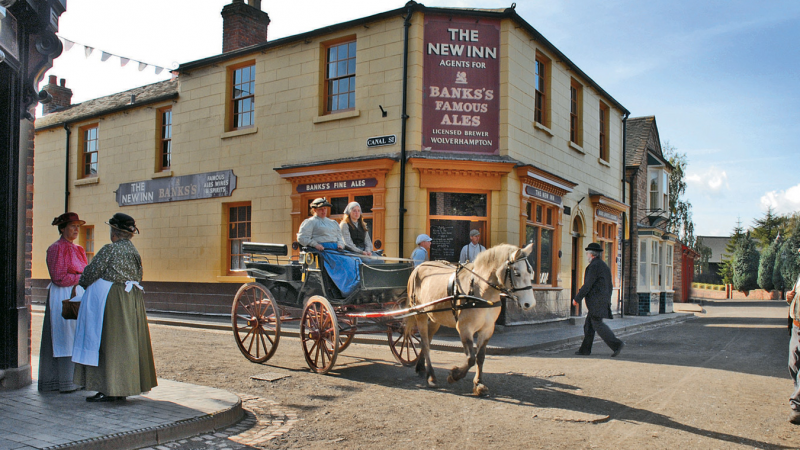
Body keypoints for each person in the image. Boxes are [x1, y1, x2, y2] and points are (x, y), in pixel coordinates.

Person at [72, 213, 157, 402]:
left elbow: (92, 271)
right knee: (126, 343)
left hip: (111, 299)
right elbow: (139, 275)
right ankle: (124, 387)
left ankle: (109, 387)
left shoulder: (110, 249)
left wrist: (83, 284)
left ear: (115, 232)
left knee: (108, 341)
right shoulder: (134, 252)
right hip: (130, 299)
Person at [39, 212, 87, 393]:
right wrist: (81, 277)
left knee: (77, 334)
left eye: (78, 226)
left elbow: (84, 273)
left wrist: (82, 279)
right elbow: (59, 277)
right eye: (72, 226)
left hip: (77, 292)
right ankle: (63, 381)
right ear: (62, 228)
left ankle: (79, 379)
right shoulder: (55, 248)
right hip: (62, 294)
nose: (76, 229)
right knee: (63, 334)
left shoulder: (79, 249)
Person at [298, 197, 360, 296]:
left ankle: (358, 284)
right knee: (346, 262)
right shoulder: (310, 222)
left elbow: (339, 237)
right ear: (314, 210)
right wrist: (315, 244)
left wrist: (340, 244)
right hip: (323, 251)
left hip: (335, 249)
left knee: (356, 260)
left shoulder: (333, 222)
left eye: (325, 209)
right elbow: (301, 238)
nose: (323, 211)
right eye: (320, 209)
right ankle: (348, 289)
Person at [572, 242, 624, 357]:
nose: (587, 256)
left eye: (587, 253)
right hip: (601, 300)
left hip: (596, 301)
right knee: (589, 326)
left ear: (591, 254)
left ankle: (616, 344)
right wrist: (607, 299)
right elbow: (609, 285)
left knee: (598, 325)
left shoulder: (594, 266)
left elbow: (588, 285)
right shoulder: (603, 265)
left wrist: (577, 298)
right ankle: (585, 350)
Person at [786, 246, 800, 424]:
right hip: (796, 325)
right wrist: (790, 298)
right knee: (793, 364)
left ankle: (797, 405)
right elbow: (795, 296)